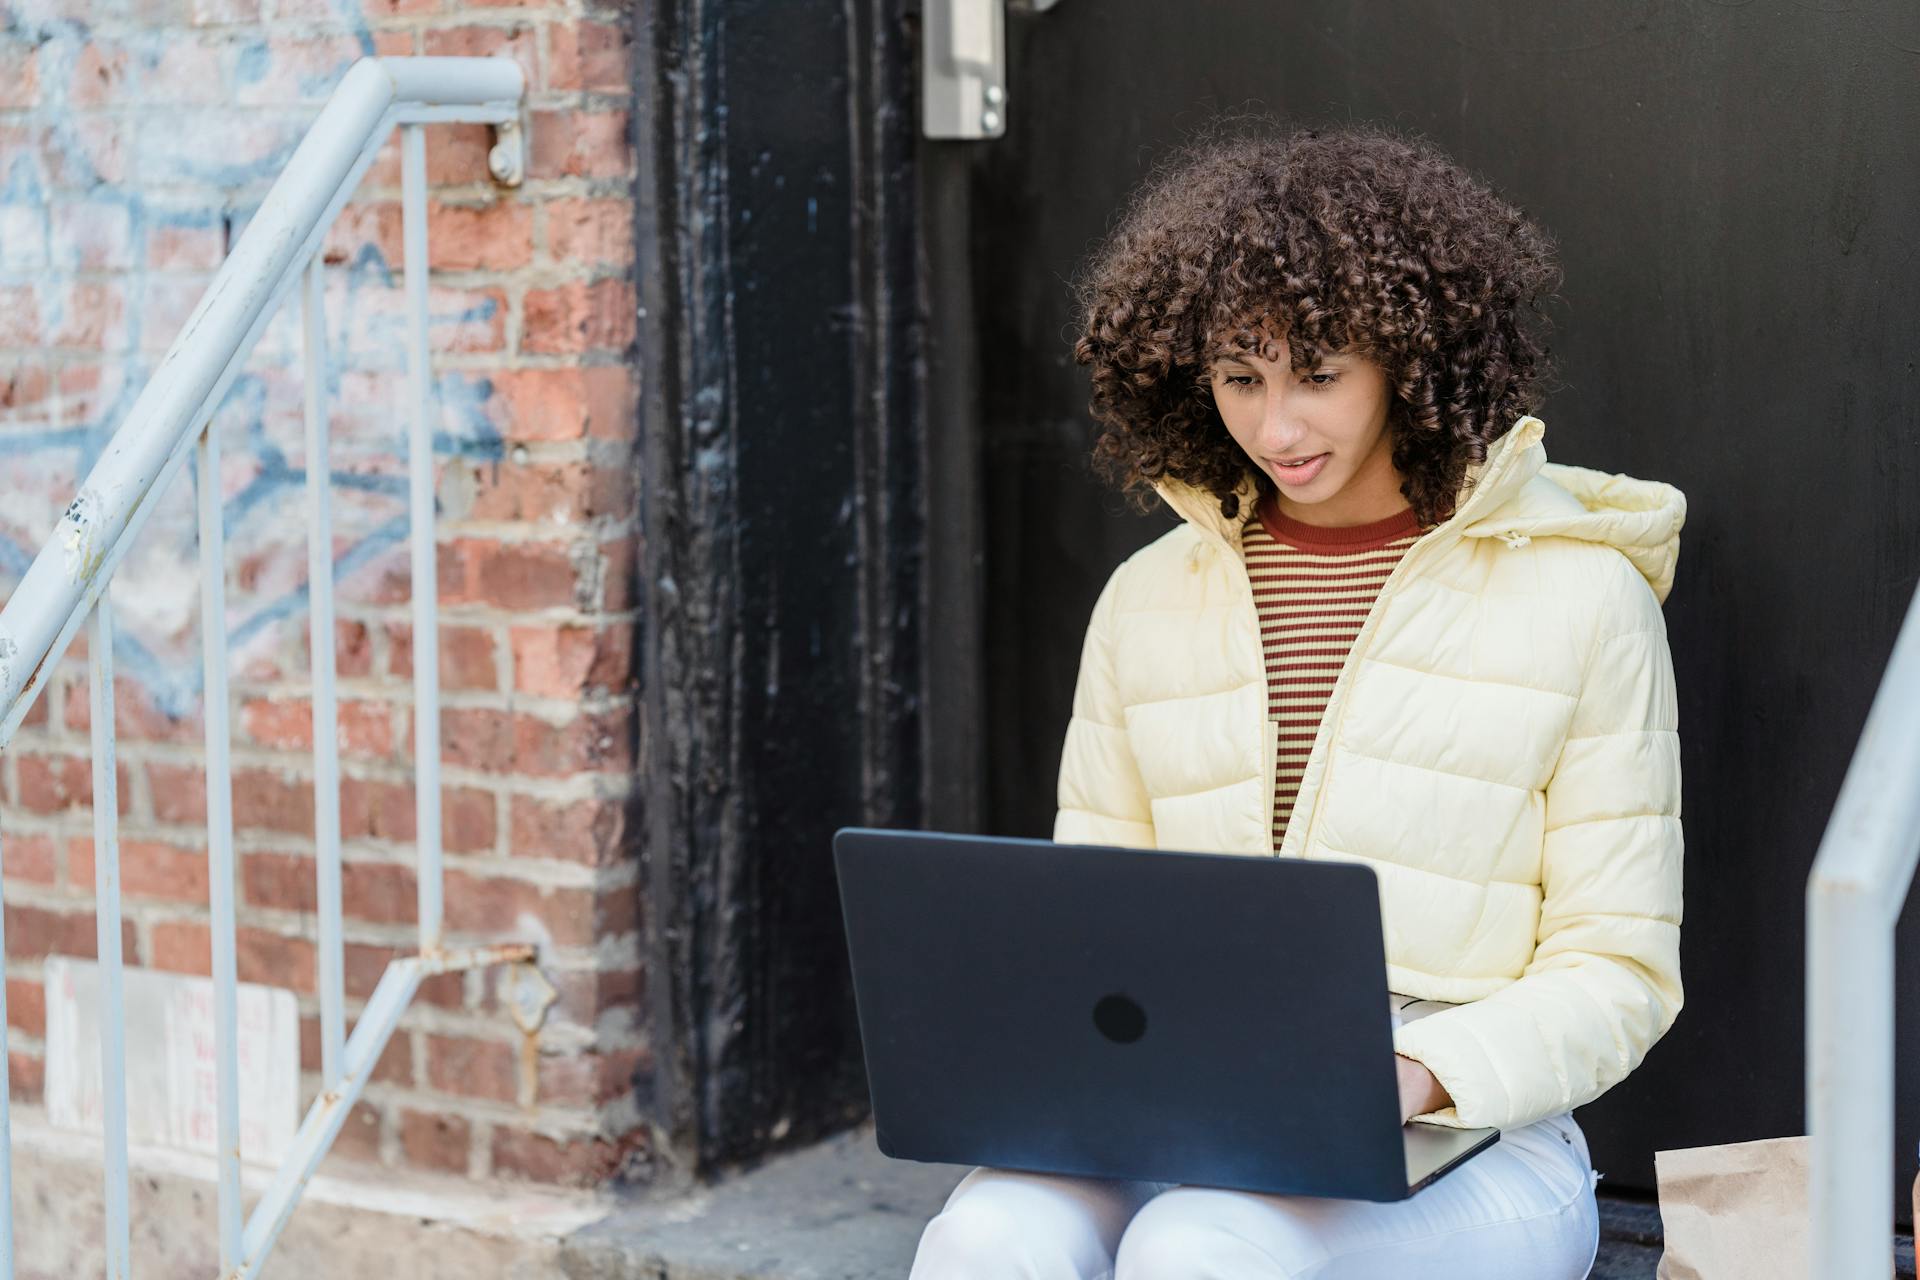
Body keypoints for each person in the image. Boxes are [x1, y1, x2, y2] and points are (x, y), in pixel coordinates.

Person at [908, 121, 1686, 1279]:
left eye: (1319, 374)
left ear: (1410, 358)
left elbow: (1619, 966)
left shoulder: (1584, 598)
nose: (1277, 426)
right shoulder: (1146, 599)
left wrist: (1418, 1072)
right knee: (985, 1232)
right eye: (1240, 376)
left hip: (1466, 1133)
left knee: (1198, 1245)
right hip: (1181, 1096)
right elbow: (1096, 917)